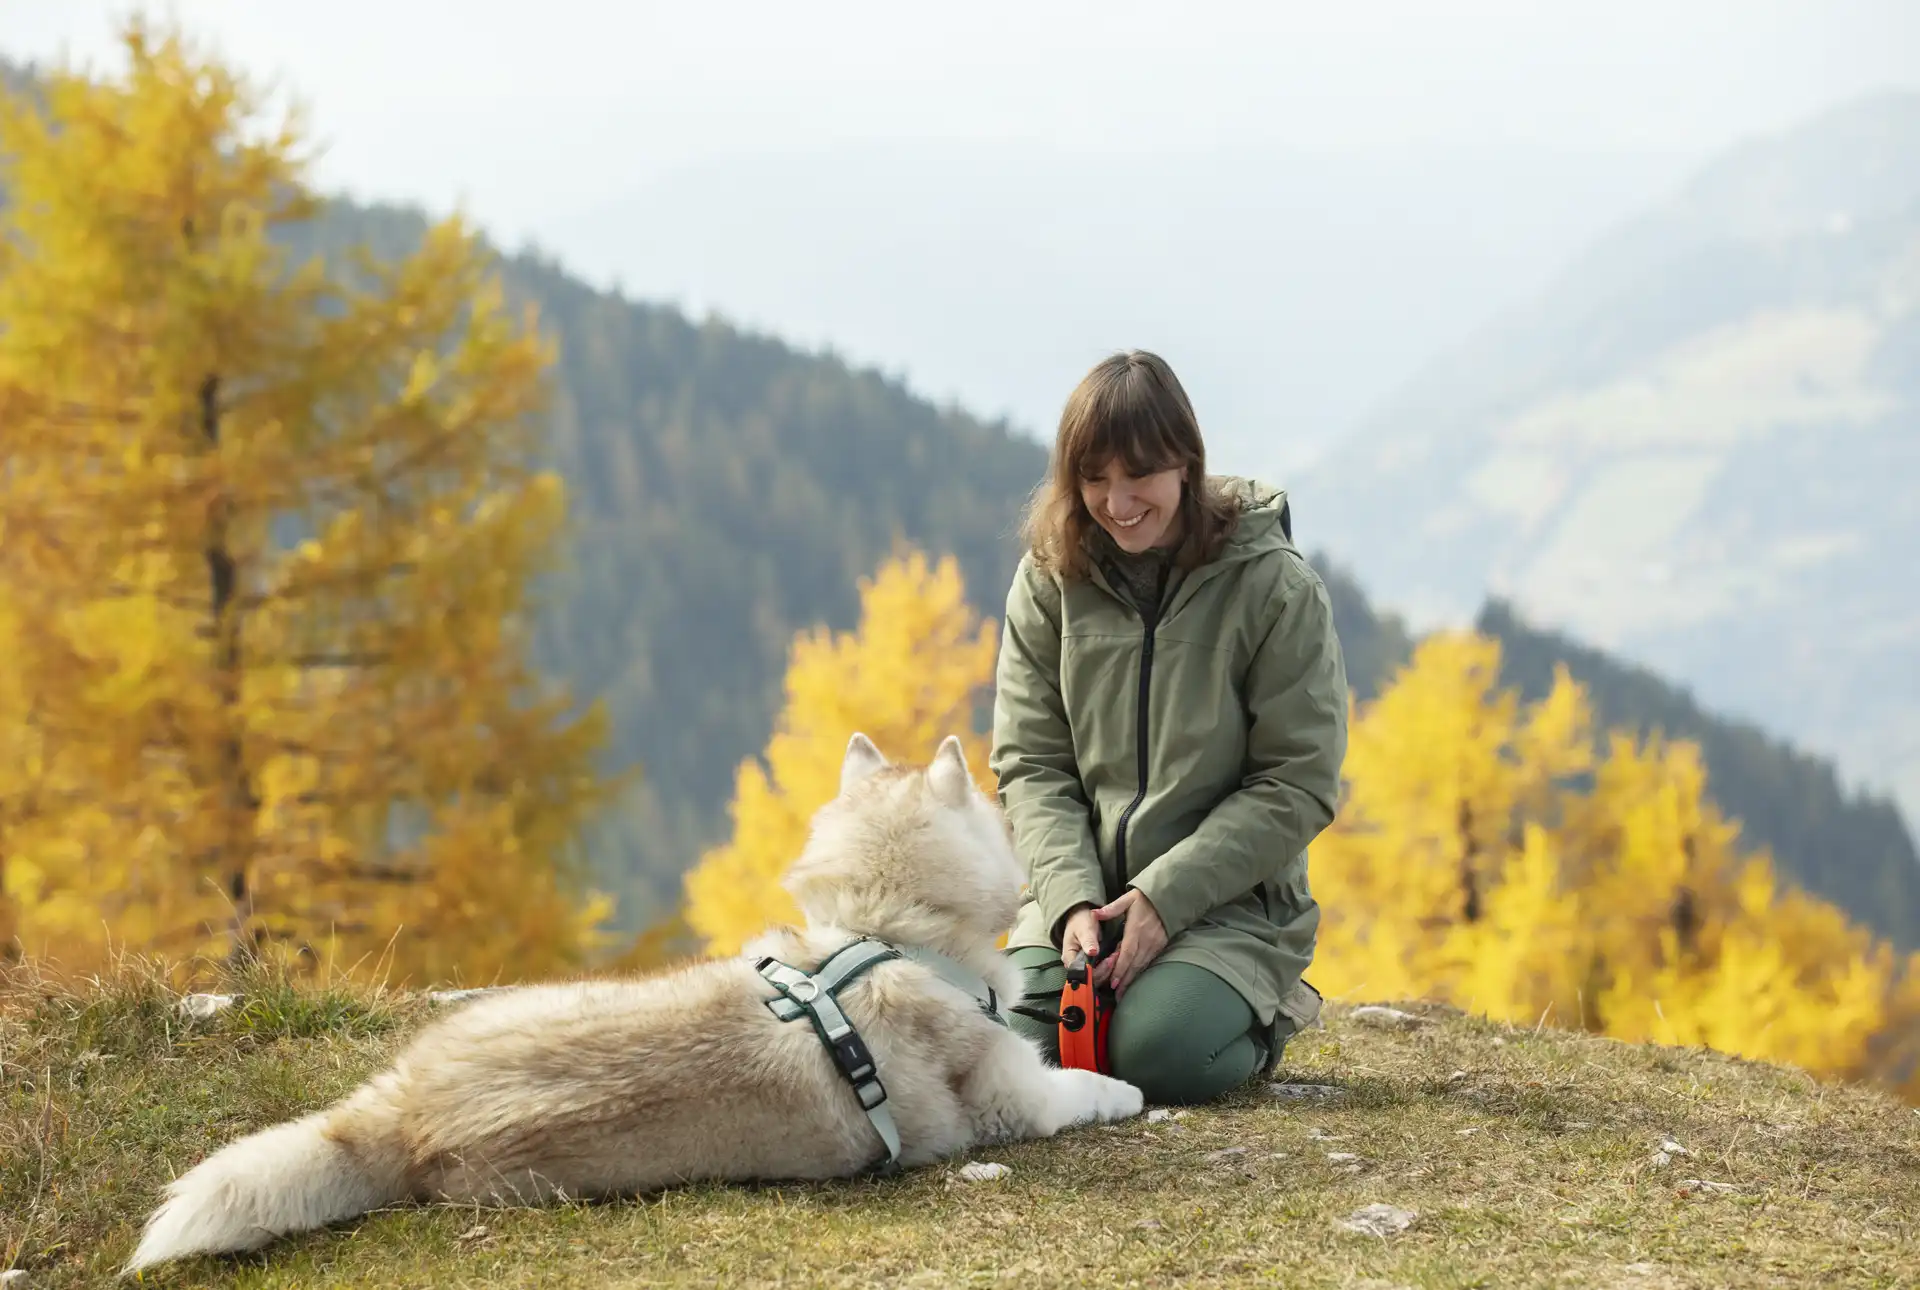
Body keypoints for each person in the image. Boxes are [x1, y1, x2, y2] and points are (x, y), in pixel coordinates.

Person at [989, 348, 1350, 1107]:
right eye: (1093, 478)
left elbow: (1298, 781)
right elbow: (1032, 764)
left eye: (1138, 476)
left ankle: (1268, 1013)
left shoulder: (1274, 587)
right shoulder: (1049, 580)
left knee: (1158, 1054)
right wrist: (1070, 902)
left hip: (1229, 908)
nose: (1116, 502)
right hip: (1082, 904)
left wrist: (1164, 897)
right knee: (1000, 1046)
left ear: (1186, 463)